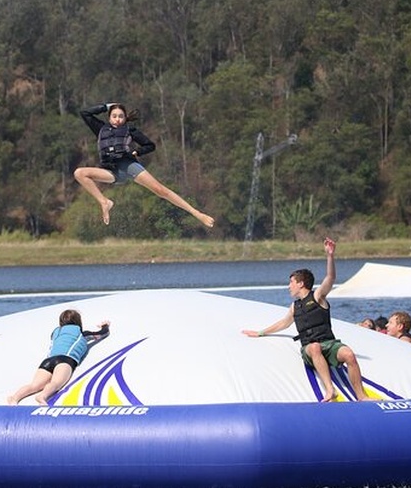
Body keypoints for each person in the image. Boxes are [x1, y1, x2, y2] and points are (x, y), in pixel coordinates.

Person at [242, 237, 370, 402]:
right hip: (310, 347)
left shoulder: (317, 296)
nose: (289, 286)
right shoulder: (295, 307)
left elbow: (330, 278)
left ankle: (361, 396)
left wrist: (330, 256)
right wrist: (260, 333)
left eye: (291, 283)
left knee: (349, 354)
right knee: (315, 347)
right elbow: (284, 323)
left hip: (329, 343)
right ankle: (330, 390)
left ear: (301, 283)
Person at [74, 102, 215, 228]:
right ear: (109, 117)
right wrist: (107, 106)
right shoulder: (100, 129)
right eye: (114, 116)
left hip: (128, 165)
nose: (117, 119)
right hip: (111, 171)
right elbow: (85, 113)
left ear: (125, 119)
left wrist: (136, 152)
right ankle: (104, 202)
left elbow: (150, 145)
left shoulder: (130, 130)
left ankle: (197, 214)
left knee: (160, 190)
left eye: (121, 116)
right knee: (79, 173)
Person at [8, 309, 110, 405]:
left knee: (34, 385)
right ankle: (42, 396)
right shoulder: (82, 334)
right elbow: (102, 334)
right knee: (56, 383)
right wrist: (105, 326)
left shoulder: (55, 333)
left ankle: (15, 397)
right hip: (65, 360)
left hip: (47, 361)